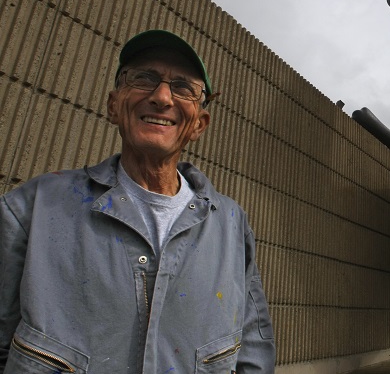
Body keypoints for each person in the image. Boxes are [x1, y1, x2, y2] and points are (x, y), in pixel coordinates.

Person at [0, 30, 276, 373]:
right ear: (114, 105)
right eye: (144, 79)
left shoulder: (231, 223)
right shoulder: (33, 207)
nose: (162, 97)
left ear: (199, 124)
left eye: (183, 88)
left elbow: (253, 348)